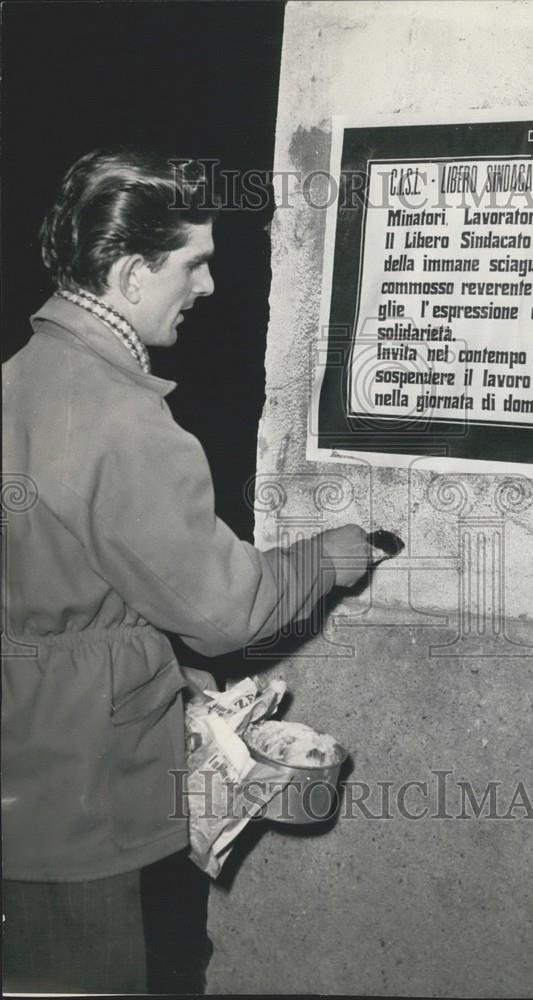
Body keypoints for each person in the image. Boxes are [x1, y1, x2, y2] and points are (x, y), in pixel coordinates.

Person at [1, 148, 372, 994]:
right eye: (194, 263)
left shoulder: (19, 381)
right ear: (133, 273)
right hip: (88, 801)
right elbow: (226, 610)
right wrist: (332, 557)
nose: (207, 287)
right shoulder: (121, 418)